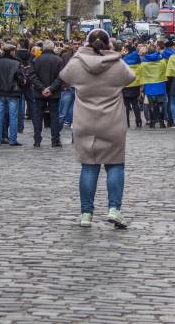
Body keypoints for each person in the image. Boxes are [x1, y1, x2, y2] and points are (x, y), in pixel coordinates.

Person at [60, 29, 135, 229]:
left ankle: (86, 214)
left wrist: (81, 52)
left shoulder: (77, 63)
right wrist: (113, 53)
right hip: (112, 121)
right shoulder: (117, 64)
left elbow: (64, 76)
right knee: (115, 164)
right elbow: (131, 77)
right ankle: (114, 209)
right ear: (108, 44)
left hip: (85, 121)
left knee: (89, 166)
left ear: (87, 43)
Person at [28, 41, 66, 148]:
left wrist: (42, 88)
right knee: (54, 116)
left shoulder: (36, 60)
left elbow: (32, 75)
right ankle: (55, 139)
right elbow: (61, 76)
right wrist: (51, 88)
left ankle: (37, 139)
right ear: (53, 48)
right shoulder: (59, 60)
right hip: (54, 93)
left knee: (38, 116)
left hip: (39, 93)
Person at [0, 44, 24, 147]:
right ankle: (12, 139)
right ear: (11, 52)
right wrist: (23, 81)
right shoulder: (16, 63)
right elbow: (19, 78)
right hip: (12, 92)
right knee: (13, 116)